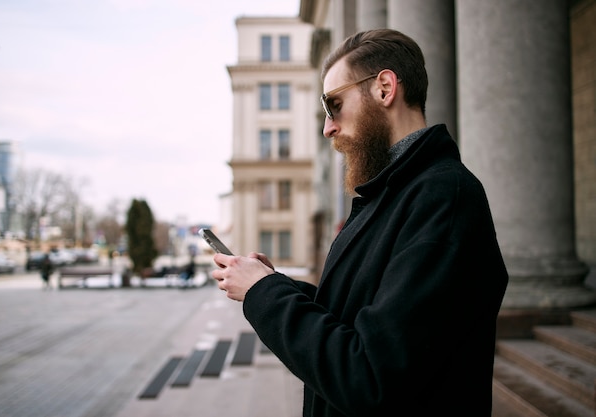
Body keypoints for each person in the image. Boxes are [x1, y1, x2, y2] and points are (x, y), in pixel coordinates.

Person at [211, 29, 508, 416]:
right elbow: (359, 315)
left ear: (385, 88)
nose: (328, 127)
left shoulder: (442, 198)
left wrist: (263, 294)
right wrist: (273, 283)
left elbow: (369, 378)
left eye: (334, 104)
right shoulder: (395, 193)